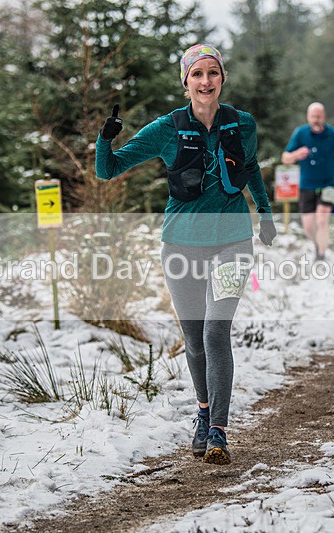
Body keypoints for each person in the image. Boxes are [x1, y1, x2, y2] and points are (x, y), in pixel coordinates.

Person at [95, 44, 276, 466]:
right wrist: (105, 139)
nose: (206, 81)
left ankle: (218, 431)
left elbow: (250, 167)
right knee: (194, 338)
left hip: (233, 243)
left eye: (213, 72)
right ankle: (203, 413)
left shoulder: (242, 124)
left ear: (222, 78)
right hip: (180, 246)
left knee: (215, 332)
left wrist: (265, 213)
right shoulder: (167, 129)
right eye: (197, 74)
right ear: (186, 82)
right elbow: (108, 170)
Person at [281, 102, 334, 261]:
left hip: (329, 184)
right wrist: (296, 155)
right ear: (308, 117)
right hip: (306, 185)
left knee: (322, 219)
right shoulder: (300, 133)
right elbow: (285, 158)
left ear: (324, 117)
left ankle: (321, 255)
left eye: (319, 117)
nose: (316, 120)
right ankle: (318, 245)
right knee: (308, 226)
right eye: (313, 117)